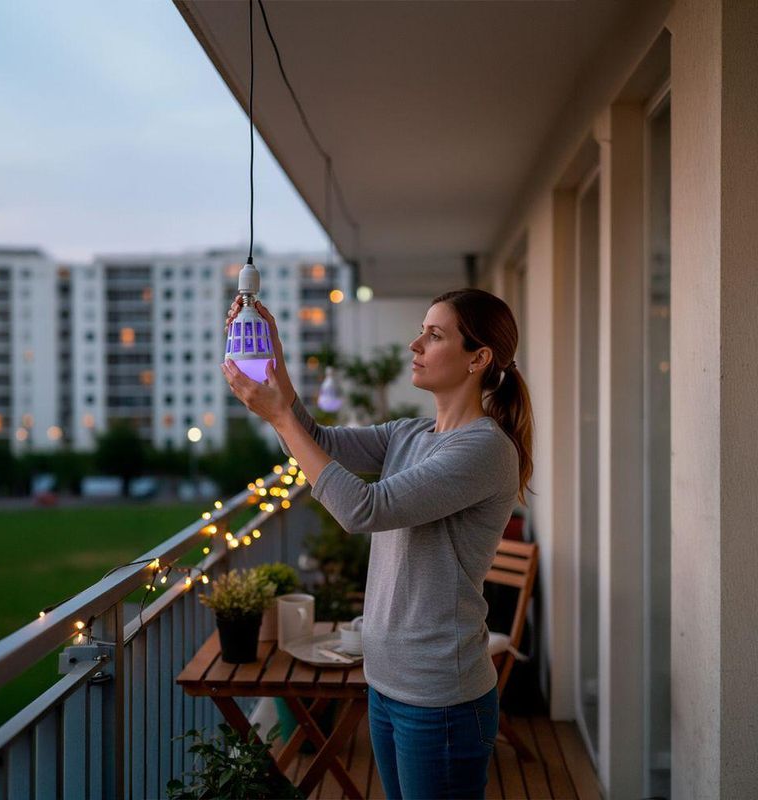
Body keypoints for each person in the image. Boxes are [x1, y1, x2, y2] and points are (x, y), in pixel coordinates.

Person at [222, 287, 534, 799]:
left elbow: (364, 509)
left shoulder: (484, 450)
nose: (415, 345)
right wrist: (272, 364)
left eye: (434, 335)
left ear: (479, 358)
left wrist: (278, 415)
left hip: (441, 698)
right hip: (387, 683)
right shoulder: (408, 434)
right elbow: (316, 442)